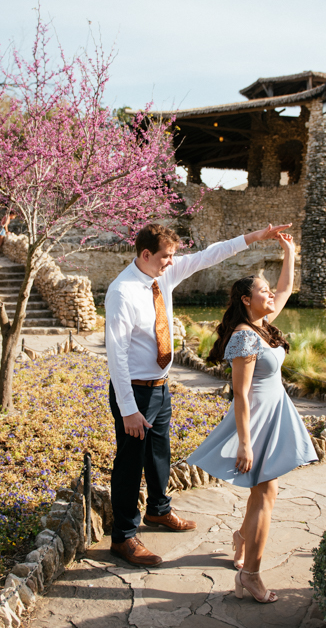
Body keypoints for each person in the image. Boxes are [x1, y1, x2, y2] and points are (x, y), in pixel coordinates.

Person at [105, 221, 291, 567]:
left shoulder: (165, 276)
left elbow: (210, 255)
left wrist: (254, 236)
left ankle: (159, 512)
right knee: (130, 464)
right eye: (166, 257)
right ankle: (124, 537)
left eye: (174, 256)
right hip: (134, 392)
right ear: (146, 254)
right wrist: (129, 409)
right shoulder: (121, 292)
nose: (173, 262)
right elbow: (115, 355)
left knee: (160, 453)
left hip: (160, 386)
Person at [187, 230, 318, 603]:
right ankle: (251, 575)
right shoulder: (244, 336)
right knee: (266, 493)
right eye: (263, 291)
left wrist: (289, 251)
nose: (270, 295)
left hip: (275, 412)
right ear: (247, 300)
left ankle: (243, 539)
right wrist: (244, 442)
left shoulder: (262, 324)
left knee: (266, 491)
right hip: (257, 420)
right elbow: (240, 395)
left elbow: (287, 287)